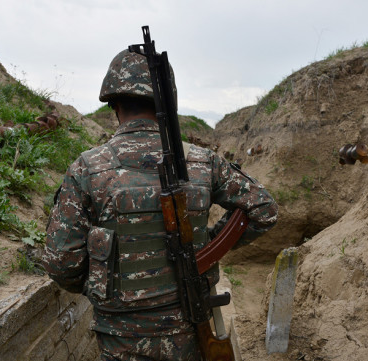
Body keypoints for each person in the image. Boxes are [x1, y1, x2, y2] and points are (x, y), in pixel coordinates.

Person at [42, 48, 278, 361]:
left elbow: (62, 264)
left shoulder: (87, 168)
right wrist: (206, 247)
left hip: (120, 337)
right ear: (167, 101)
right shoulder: (203, 161)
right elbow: (263, 210)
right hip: (189, 330)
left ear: (114, 104)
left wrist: (105, 285)